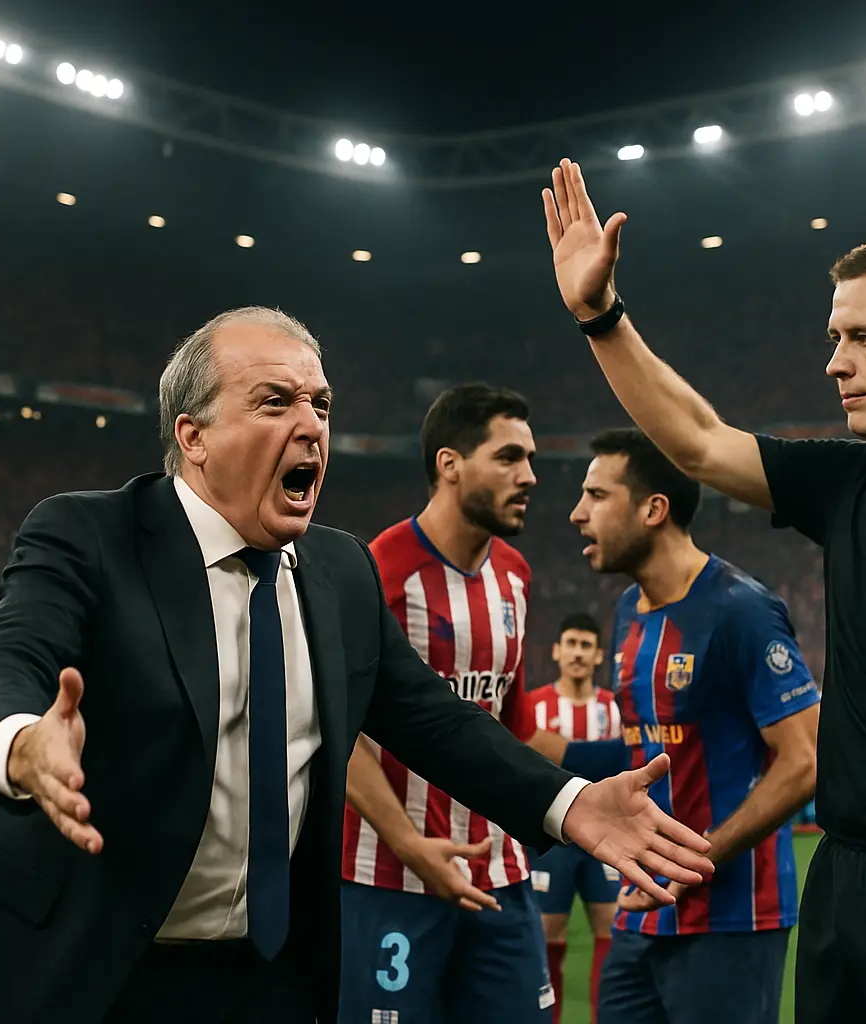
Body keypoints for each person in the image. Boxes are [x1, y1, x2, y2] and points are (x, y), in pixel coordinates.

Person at [0, 306, 715, 1024]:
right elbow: (14, 653)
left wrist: (569, 801)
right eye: (275, 402)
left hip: (271, 980)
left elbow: (435, 721)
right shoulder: (89, 534)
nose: (311, 424)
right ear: (194, 436)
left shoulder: (339, 570)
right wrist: (23, 743)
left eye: (321, 404)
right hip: (107, 972)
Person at [542, 157, 866, 1021]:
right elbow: (696, 441)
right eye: (835, 338)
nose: (836, 363)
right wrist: (600, 315)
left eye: (864, 338)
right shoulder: (850, 483)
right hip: (844, 878)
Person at [556, 427, 818, 1024]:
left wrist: (697, 860)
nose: (577, 513)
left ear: (654, 509)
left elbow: (805, 760)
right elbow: (649, 753)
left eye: (597, 495)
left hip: (732, 918)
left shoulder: (741, 610)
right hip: (641, 912)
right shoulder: (628, 612)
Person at [341, 383, 579, 1023]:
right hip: (390, 877)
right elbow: (341, 734)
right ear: (449, 464)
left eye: (530, 459)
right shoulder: (378, 571)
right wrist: (409, 843)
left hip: (501, 876)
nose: (529, 476)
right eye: (508, 457)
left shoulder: (515, 575)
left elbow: (512, 726)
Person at [528, 613, 622, 1024]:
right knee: (548, 929)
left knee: (611, 925)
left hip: (607, 837)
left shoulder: (614, 709)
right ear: (556, 651)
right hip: (552, 837)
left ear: (599, 655)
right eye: (571, 644)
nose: (578, 653)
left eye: (586, 646)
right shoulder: (534, 706)